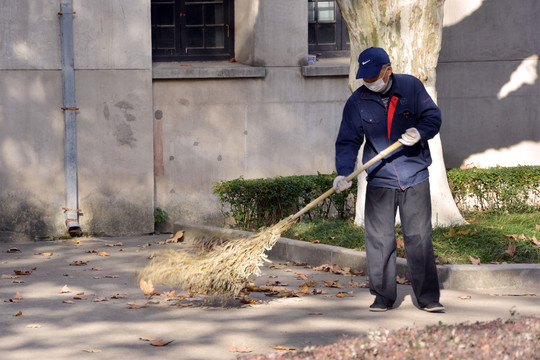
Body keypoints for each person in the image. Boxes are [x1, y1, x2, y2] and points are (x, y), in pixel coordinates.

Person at [333, 47, 444, 313]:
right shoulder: (357, 101)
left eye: (374, 77)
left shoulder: (411, 87)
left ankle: (428, 297)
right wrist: (343, 171)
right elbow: (348, 141)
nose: (369, 82)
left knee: (419, 237)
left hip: (414, 175)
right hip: (380, 179)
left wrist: (420, 131)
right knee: (379, 240)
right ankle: (382, 296)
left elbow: (433, 117)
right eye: (365, 78)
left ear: (388, 71)